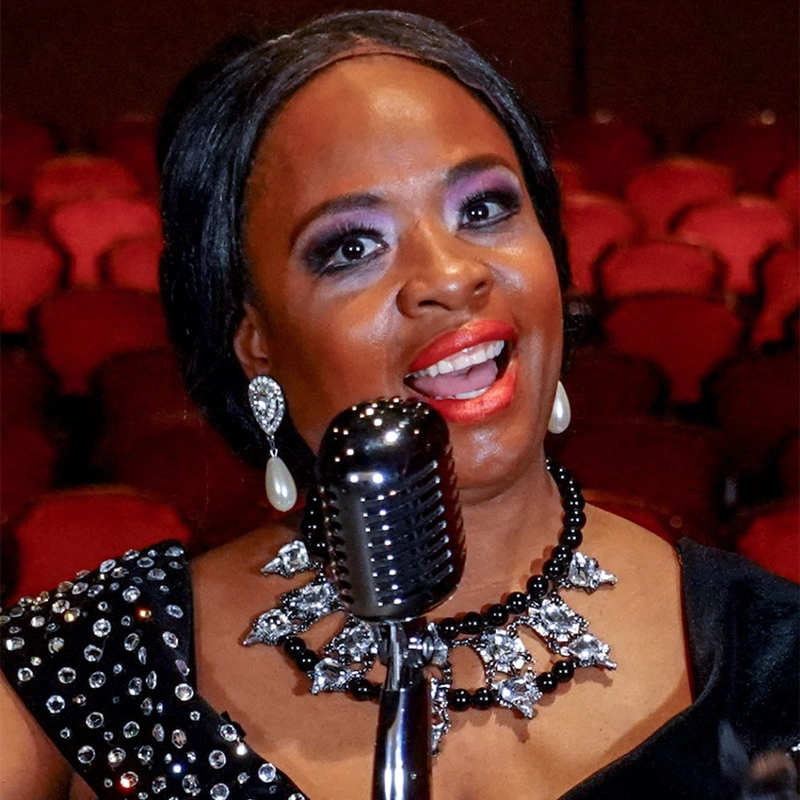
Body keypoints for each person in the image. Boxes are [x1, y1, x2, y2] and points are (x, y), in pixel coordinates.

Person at [1, 10, 797, 800]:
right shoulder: (85, 674)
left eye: (483, 209)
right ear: (257, 342)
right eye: (351, 247)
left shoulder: (774, 655)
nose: (449, 276)